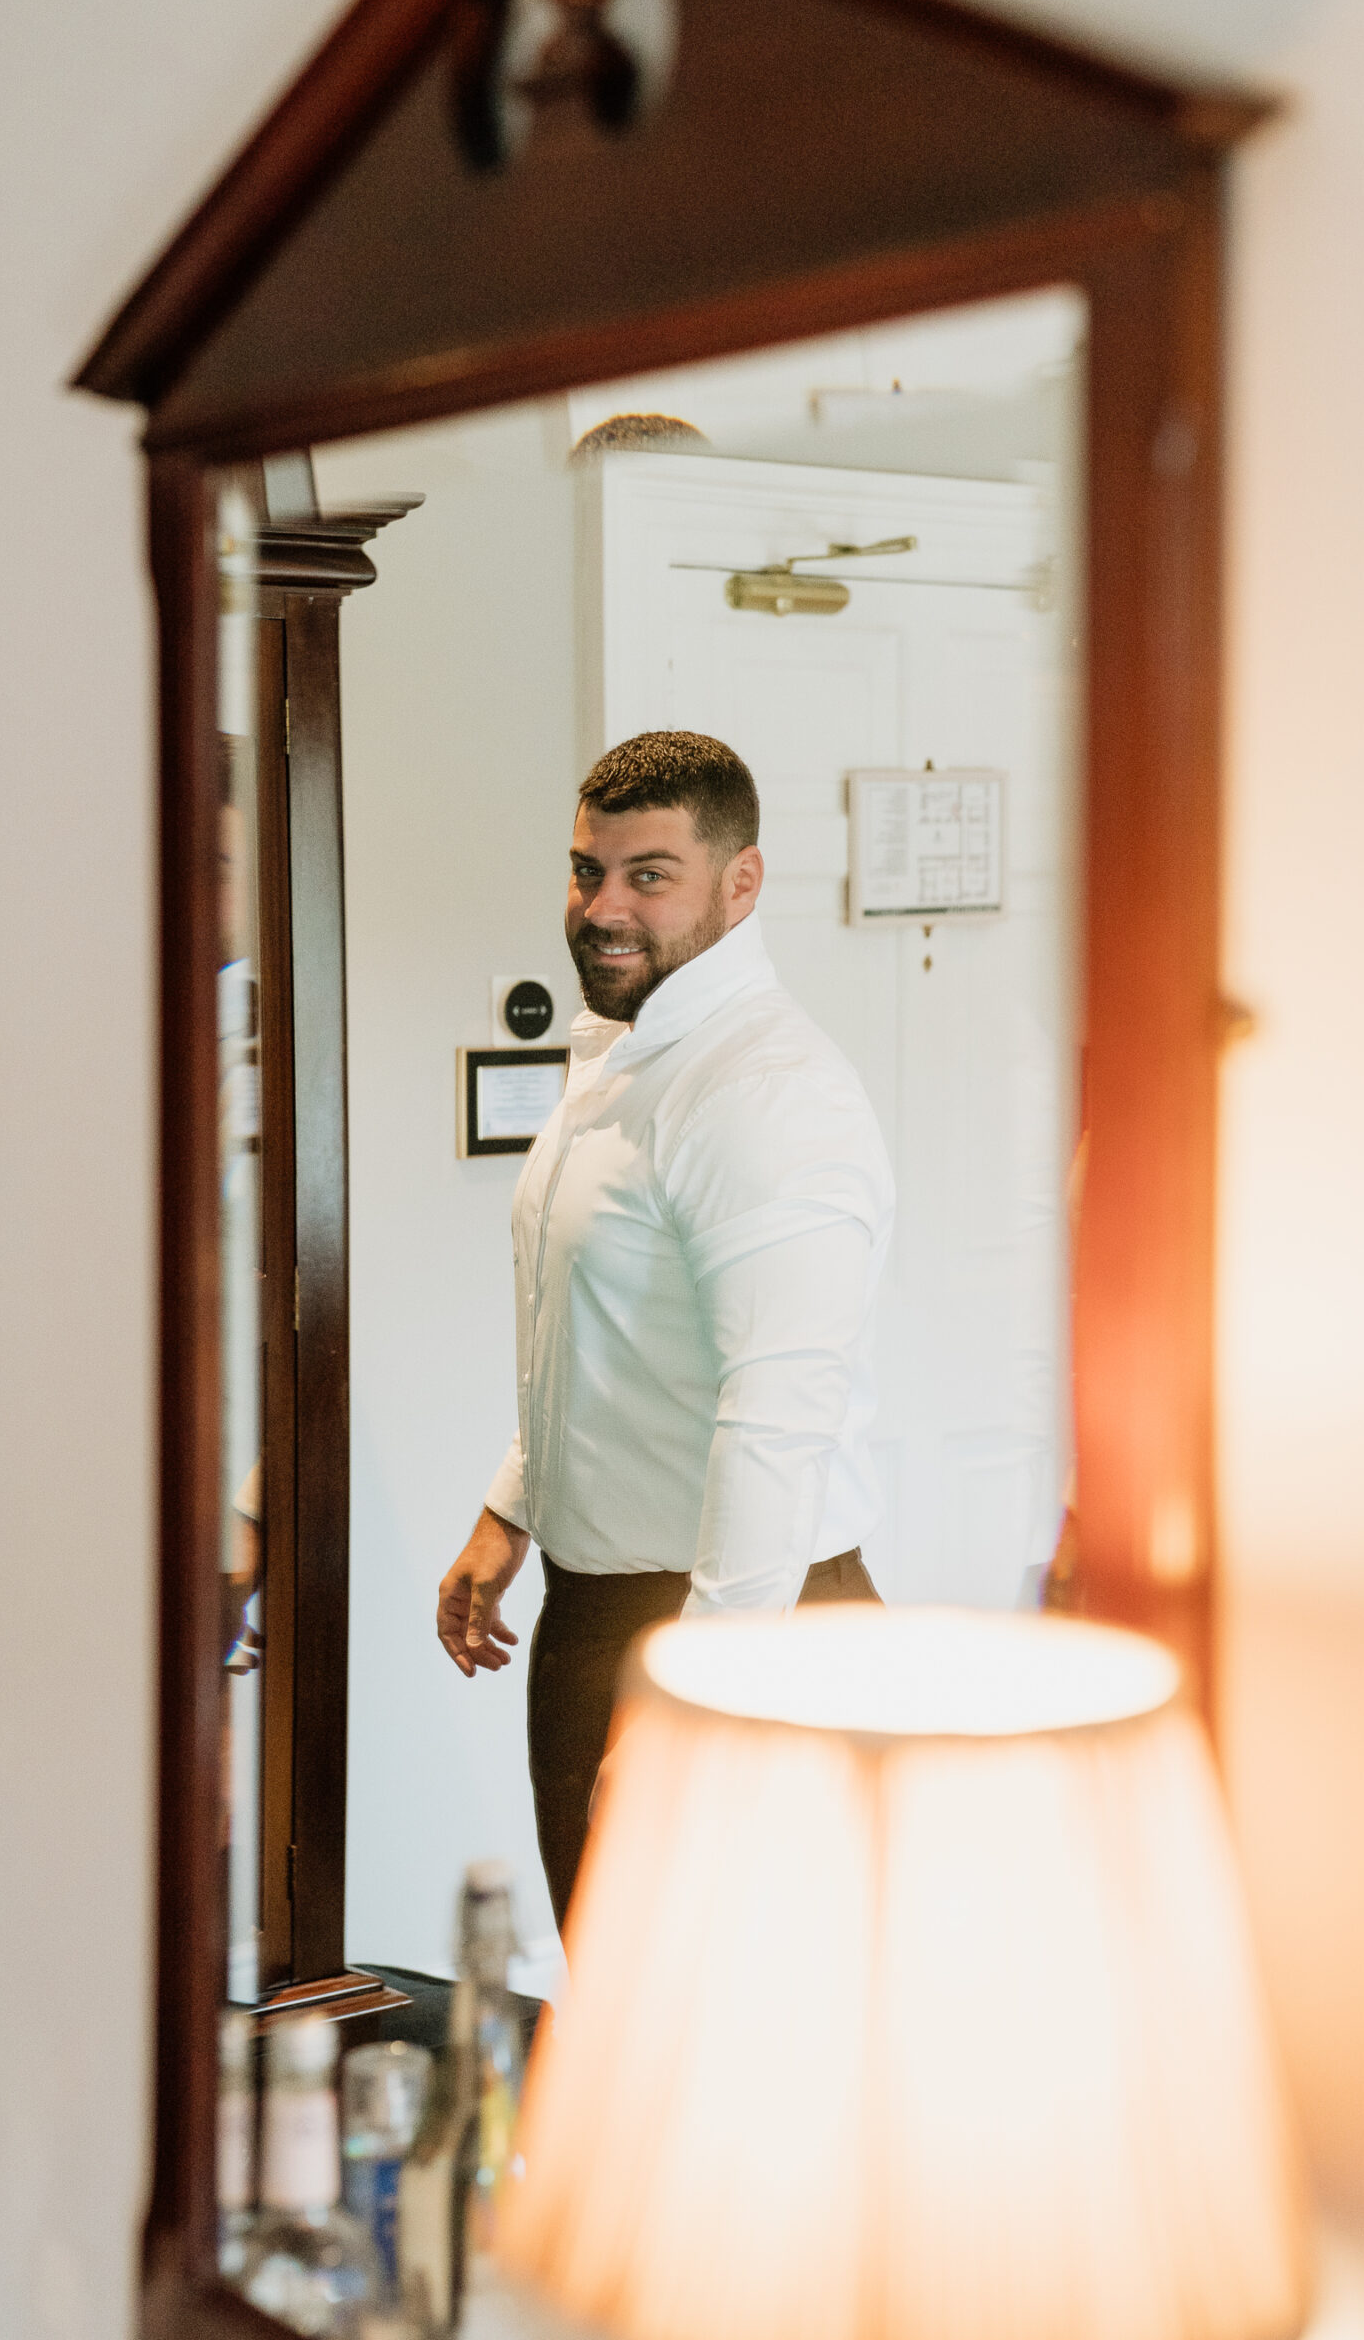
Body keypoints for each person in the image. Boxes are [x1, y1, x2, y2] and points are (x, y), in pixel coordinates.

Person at [436, 730, 894, 1929]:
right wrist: (513, 1506)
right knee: (624, 2026)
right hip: (601, 1614)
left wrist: (698, 1696)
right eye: (588, 869)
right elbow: (596, 1326)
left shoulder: (767, 1094)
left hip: (749, 1623)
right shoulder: (632, 1056)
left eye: (650, 874)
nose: (601, 907)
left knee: (749, 2050)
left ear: (741, 883)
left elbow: (775, 1422)